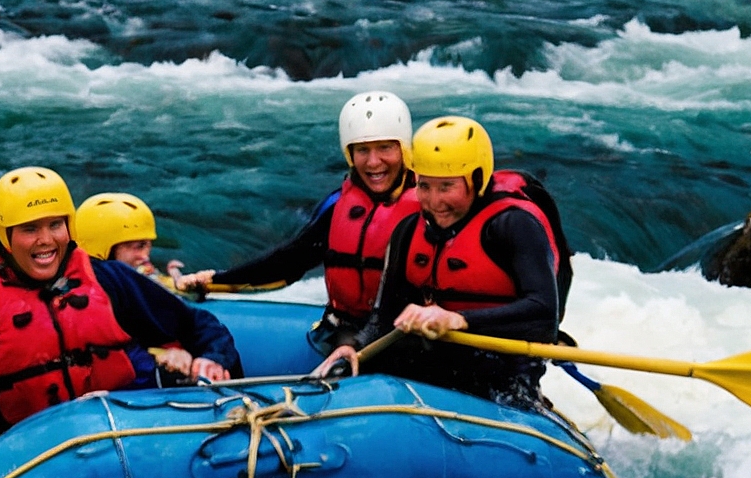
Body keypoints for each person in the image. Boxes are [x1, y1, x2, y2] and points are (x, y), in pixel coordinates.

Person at [0, 167, 243, 441]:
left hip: (126, 431)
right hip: (37, 458)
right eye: (30, 229)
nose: (45, 240)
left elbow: (199, 325)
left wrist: (213, 358)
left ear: (69, 227)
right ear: (6, 237)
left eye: (55, 225)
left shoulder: (109, 280)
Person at [318, 116, 565, 407]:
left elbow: (543, 315)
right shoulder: (408, 230)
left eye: (446, 187)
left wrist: (458, 319)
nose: (434, 202)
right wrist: (355, 345)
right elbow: (383, 318)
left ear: (476, 180)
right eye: (424, 186)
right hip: (434, 361)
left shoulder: (513, 226)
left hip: (501, 368)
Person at [187, 90, 419, 353]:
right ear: (350, 154)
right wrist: (216, 279)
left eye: (385, 148)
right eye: (362, 150)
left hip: (403, 339)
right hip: (343, 331)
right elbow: (289, 261)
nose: (373, 162)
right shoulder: (337, 206)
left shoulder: (430, 208)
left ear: (403, 149)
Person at [72, 192, 208, 292]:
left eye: (147, 246)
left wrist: (178, 281)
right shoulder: (80, 298)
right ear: (103, 250)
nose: (145, 257)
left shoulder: (139, 273)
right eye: (139, 246)